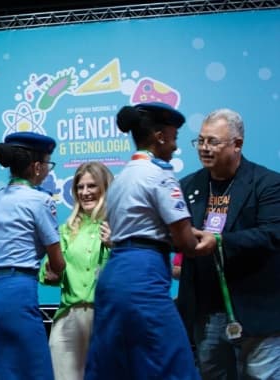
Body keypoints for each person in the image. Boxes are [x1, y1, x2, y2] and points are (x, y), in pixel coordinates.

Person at [85, 102, 216, 379]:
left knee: (116, 365)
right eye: (174, 138)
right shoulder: (160, 175)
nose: (175, 147)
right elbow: (185, 242)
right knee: (174, 362)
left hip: (114, 274)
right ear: (160, 136)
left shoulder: (121, 177)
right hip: (143, 276)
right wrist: (207, 242)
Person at [177, 108, 280, 379]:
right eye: (200, 141)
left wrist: (220, 242)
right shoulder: (187, 186)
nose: (204, 148)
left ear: (237, 144)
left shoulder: (267, 183)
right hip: (207, 313)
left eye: (213, 141)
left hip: (257, 311)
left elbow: (272, 233)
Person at [0, 131, 66, 380]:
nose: (48, 170)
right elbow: (57, 261)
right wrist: (56, 269)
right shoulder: (41, 201)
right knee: (35, 370)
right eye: (48, 164)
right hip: (17, 290)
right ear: (37, 167)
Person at [40, 161, 113, 380]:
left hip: (108, 317)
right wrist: (50, 274)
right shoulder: (65, 230)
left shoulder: (118, 225)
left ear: (105, 187)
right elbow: (49, 273)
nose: (85, 192)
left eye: (92, 186)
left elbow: (132, 270)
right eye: (80, 187)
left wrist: (115, 245)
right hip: (68, 318)